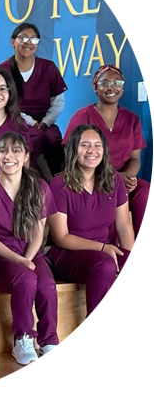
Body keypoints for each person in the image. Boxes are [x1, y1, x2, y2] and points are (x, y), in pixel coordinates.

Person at [48, 124, 143, 357]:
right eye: (85, 145)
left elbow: (123, 225)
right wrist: (102, 248)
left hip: (104, 251)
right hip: (66, 253)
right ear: (74, 150)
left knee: (133, 264)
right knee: (105, 264)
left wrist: (129, 260)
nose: (92, 151)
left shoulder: (114, 181)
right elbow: (61, 236)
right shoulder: (59, 184)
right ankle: (95, 335)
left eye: (97, 145)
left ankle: (122, 332)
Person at [0, 132, 64, 366]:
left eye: (16, 150)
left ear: (26, 156)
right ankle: (23, 338)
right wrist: (20, 262)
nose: (9, 156)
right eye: (3, 151)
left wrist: (28, 258)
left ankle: (49, 340)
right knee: (26, 280)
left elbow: (39, 231)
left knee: (47, 284)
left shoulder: (39, 186)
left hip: (30, 252)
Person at [63, 65, 153, 276]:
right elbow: (72, 155)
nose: (111, 87)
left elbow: (135, 158)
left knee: (146, 191)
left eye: (117, 83)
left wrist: (127, 177)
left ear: (122, 87)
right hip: (90, 177)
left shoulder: (132, 119)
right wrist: (113, 177)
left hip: (123, 178)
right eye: (105, 83)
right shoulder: (82, 116)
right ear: (95, 87)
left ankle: (143, 254)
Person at [0, 22, 67, 175]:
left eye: (34, 39)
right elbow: (3, 104)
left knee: (53, 139)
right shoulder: (2, 71)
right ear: (13, 42)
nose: (28, 43)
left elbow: (58, 102)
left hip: (45, 122)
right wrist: (31, 122)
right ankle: (27, 178)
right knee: (32, 138)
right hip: (13, 121)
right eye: (23, 38)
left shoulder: (48, 67)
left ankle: (57, 182)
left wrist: (45, 122)